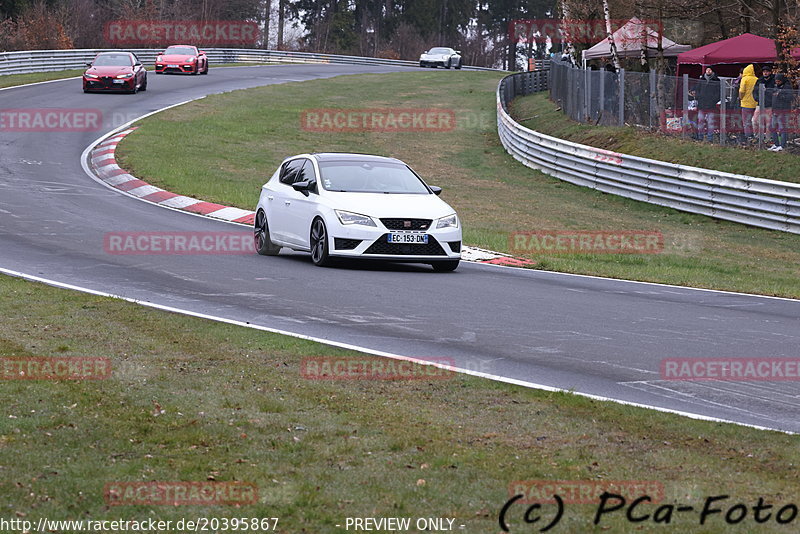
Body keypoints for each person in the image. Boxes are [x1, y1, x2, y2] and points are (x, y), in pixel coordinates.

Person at [769, 73, 793, 151]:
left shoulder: (787, 87)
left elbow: (790, 98)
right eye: (776, 81)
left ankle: (782, 146)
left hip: (783, 111)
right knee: (772, 128)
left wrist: (780, 95)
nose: (777, 82)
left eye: (778, 81)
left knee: (783, 128)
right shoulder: (775, 87)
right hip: (775, 110)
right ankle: (776, 144)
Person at [696, 67, 720, 142]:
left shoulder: (716, 80)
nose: (708, 71)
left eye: (710, 70)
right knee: (700, 121)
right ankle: (700, 137)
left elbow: (719, 93)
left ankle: (710, 138)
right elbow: (697, 89)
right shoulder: (701, 80)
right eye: (707, 70)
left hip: (711, 105)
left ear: (712, 71)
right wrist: (698, 97)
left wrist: (714, 100)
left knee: (710, 122)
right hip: (702, 104)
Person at [754, 64, 777, 145]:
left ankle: (767, 139)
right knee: (755, 120)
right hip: (760, 104)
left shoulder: (774, 81)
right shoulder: (759, 80)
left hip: (769, 105)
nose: (765, 73)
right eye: (764, 71)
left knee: (768, 123)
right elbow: (754, 91)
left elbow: (774, 91)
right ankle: (756, 137)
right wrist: (757, 98)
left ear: (770, 72)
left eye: (767, 71)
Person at [738, 64, 758, 145]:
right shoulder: (756, 79)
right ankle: (756, 135)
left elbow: (741, 91)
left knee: (746, 121)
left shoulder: (744, 79)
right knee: (755, 121)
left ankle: (748, 136)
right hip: (755, 103)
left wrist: (740, 98)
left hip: (746, 103)